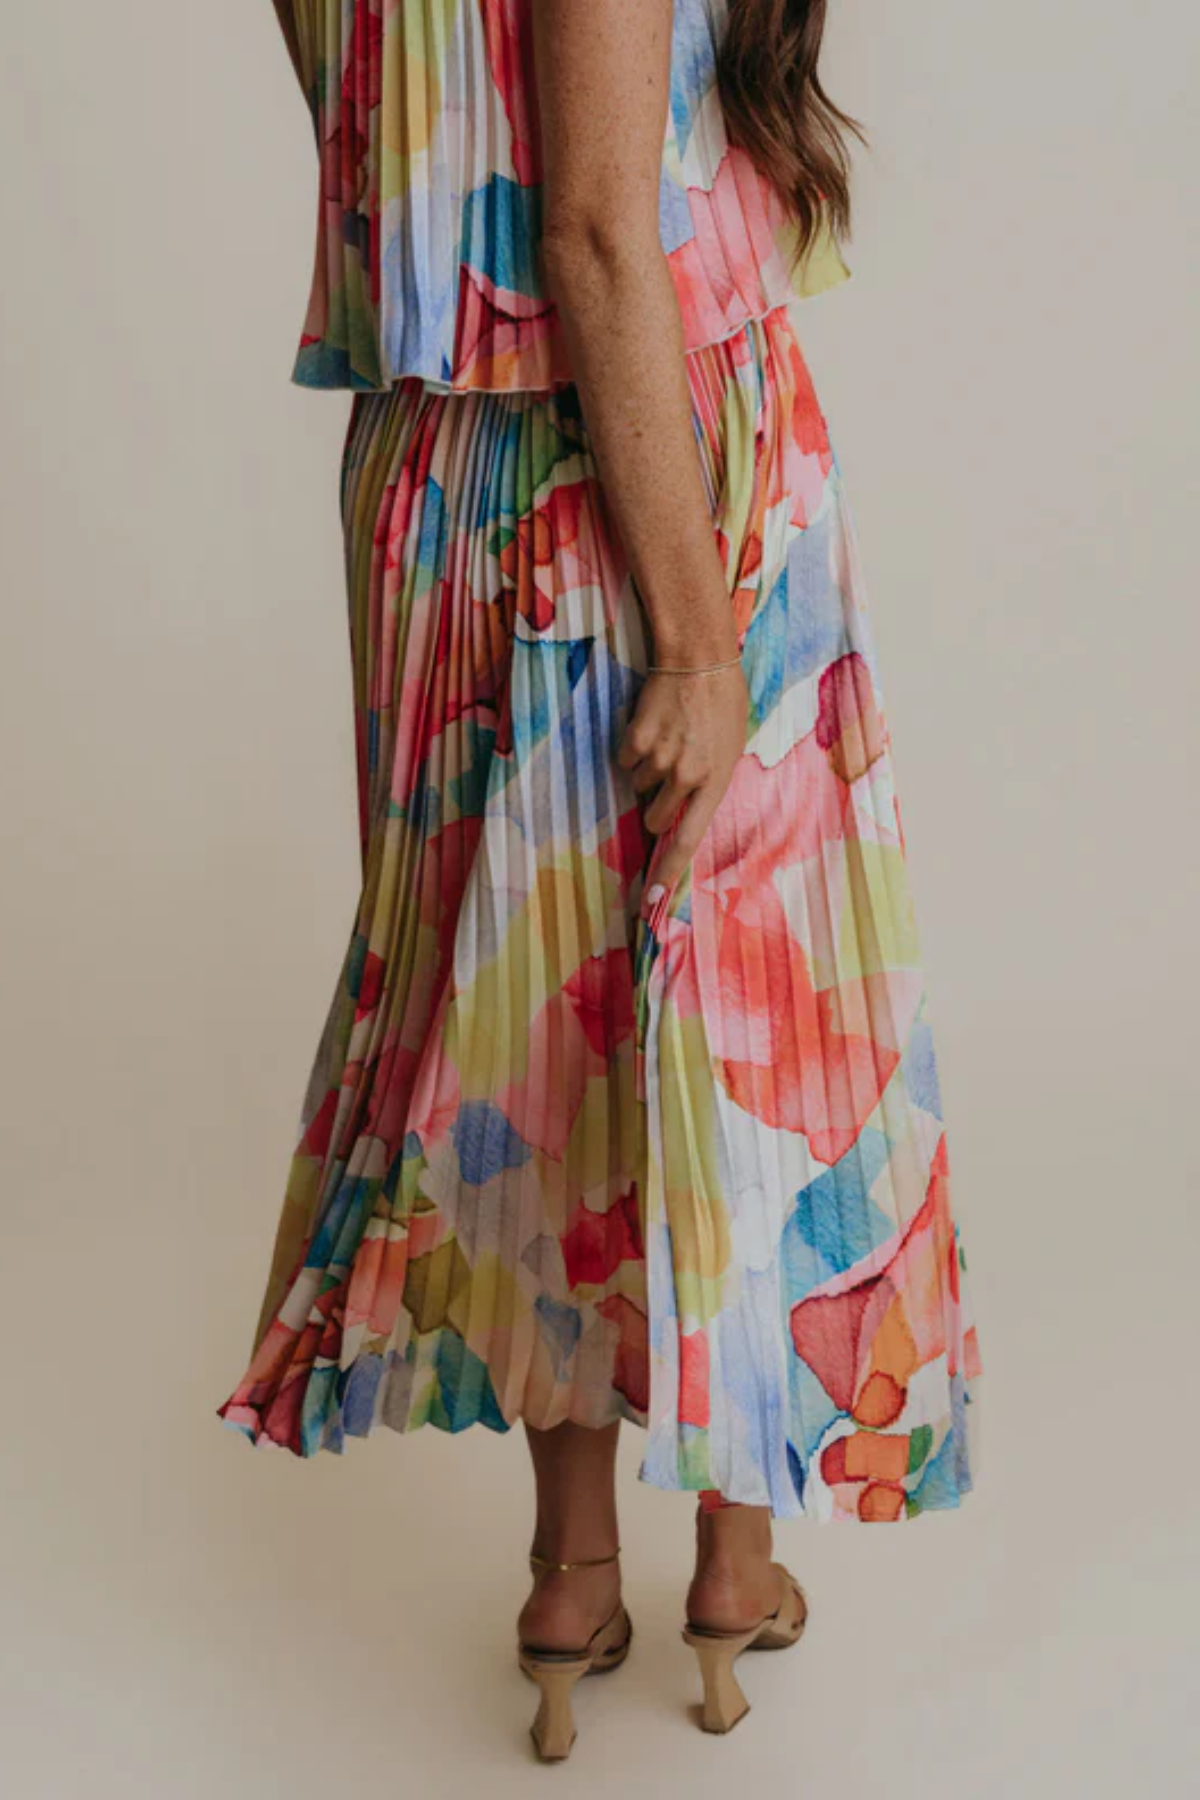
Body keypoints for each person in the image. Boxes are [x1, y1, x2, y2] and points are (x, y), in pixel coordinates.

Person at [218, 0, 982, 1759]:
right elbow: (589, 230)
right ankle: (735, 1554)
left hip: (432, 472)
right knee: (740, 993)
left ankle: (570, 1571)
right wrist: (697, 643)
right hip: (646, 452)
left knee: (529, 1006)